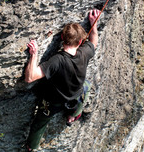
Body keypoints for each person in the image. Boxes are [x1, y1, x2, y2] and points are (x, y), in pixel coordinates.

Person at [25, 9, 100, 151]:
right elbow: (93, 42)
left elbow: (30, 78)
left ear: (61, 38)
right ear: (79, 42)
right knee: (86, 86)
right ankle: (73, 115)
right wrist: (93, 25)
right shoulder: (84, 52)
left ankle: (31, 147)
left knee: (40, 123)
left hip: (53, 102)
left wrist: (34, 55)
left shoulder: (57, 61)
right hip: (75, 96)